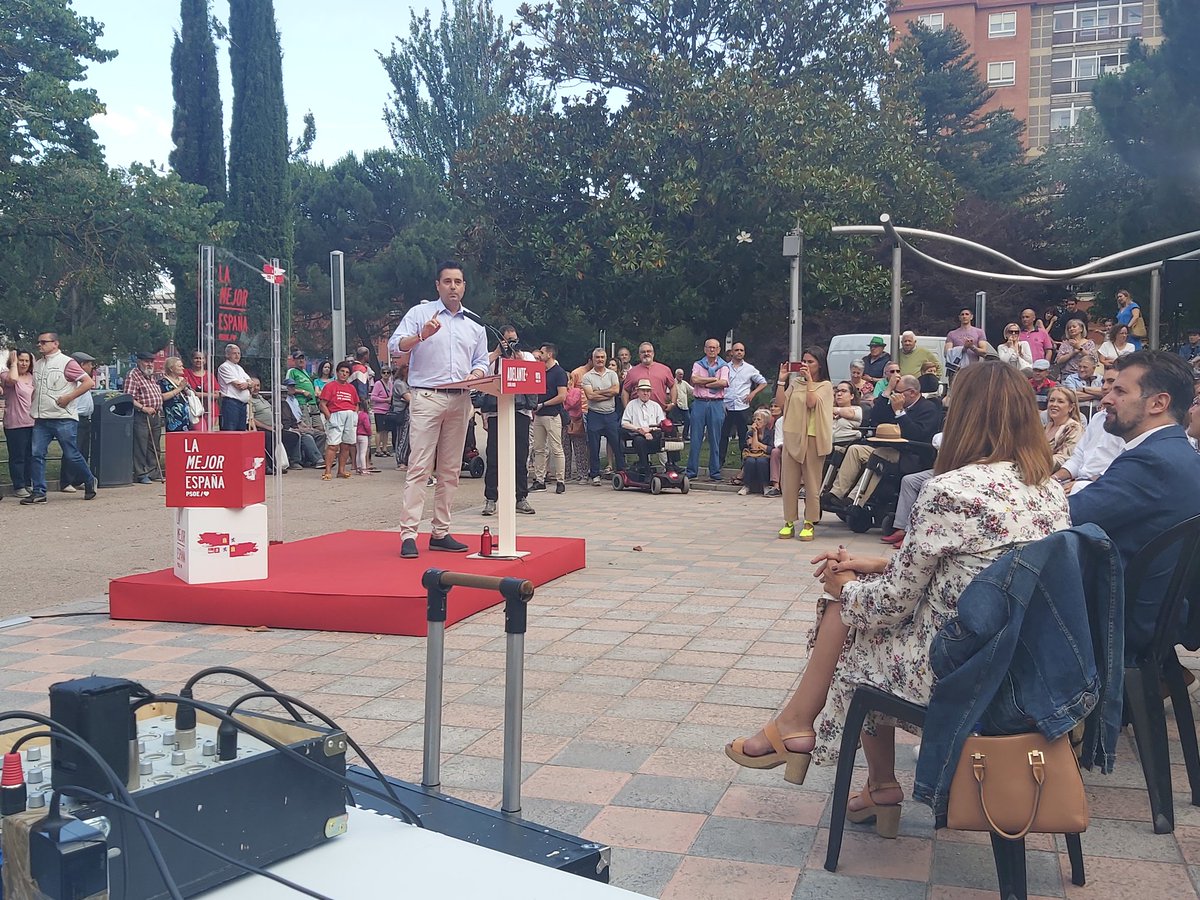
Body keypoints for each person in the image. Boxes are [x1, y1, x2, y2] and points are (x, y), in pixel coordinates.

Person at [724, 361, 1067, 835]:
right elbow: (977, 563)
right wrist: (876, 565)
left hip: (959, 667)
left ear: (963, 415)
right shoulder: (1048, 489)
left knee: (855, 623)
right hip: (1021, 657)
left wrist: (846, 588)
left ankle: (814, 739)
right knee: (858, 613)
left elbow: (894, 604)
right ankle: (849, 766)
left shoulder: (949, 489)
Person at [1068, 352, 1200, 655]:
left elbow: (1068, 516)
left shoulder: (1151, 460)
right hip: (1161, 611)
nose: (1105, 400)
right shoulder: (1179, 455)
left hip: (1121, 617)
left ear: (1158, 403)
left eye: (1120, 391)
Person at [387, 260, 489, 559]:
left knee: (451, 469)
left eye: (458, 281)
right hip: (427, 397)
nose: (453, 287)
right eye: (447, 281)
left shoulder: (475, 322)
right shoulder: (420, 314)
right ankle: (408, 534)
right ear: (437, 285)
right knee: (419, 466)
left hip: (460, 399)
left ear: (464, 286)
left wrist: (476, 374)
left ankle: (441, 531)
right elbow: (396, 347)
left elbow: (482, 360)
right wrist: (421, 336)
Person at [823, 375, 940, 510]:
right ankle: (836, 493)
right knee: (855, 449)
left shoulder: (928, 408)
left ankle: (856, 500)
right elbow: (876, 416)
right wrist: (888, 390)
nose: (895, 395)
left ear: (912, 393)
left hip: (912, 454)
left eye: (898, 392)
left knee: (880, 455)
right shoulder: (898, 404)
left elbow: (916, 434)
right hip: (889, 446)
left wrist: (900, 412)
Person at [24, 332, 98, 503]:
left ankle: (89, 479)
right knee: (36, 454)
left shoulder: (66, 362)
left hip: (63, 416)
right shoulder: (39, 364)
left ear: (55, 343)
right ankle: (39, 491)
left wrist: (69, 397)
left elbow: (88, 382)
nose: (40, 345)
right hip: (41, 417)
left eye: (44, 342)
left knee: (71, 453)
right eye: (39, 342)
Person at [775, 348, 833, 541]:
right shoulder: (795, 383)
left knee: (811, 483)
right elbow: (781, 403)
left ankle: (809, 522)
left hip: (813, 438)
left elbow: (811, 403)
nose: (805, 365)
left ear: (820, 365)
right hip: (793, 436)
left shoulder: (825, 386)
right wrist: (782, 380)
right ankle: (789, 521)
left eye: (810, 362)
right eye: (804, 361)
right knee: (789, 482)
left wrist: (809, 382)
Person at [481, 325, 536, 516]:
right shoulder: (492, 359)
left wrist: (518, 359)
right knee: (494, 457)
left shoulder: (527, 356)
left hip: (520, 412)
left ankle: (521, 497)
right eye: (508, 340)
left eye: (514, 339)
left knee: (520, 457)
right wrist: (497, 352)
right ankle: (490, 498)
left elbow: (534, 378)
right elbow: (481, 378)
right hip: (497, 413)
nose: (512, 343)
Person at [1050, 370, 1123, 494]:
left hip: (1101, 487)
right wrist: (1053, 479)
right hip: (1077, 482)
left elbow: (1120, 469)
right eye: (1103, 382)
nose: (1104, 387)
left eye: (1111, 382)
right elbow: (1077, 458)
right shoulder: (1098, 418)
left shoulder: (1129, 423)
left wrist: (1083, 483)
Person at [716, 341, 766, 474]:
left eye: (741, 350)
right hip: (726, 406)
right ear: (731, 352)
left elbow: (763, 382)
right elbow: (718, 384)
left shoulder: (749, 369)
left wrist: (752, 394)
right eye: (736, 350)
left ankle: (744, 463)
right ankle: (719, 462)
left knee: (743, 435)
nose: (739, 352)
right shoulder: (724, 368)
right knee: (723, 435)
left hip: (742, 406)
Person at [686, 339, 730, 482]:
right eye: (709, 348)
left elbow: (723, 383)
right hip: (699, 403)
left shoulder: (724, 366)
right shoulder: (698, 364)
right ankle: (691, 471)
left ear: (718, 350)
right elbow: (694, 380)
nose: (711, 350)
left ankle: (715, 471)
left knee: (715, 439)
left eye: (714, 348)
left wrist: (703, 380)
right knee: (695, 438)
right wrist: (713, 380)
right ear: (705, 349)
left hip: (716, 404)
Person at [530, 342, 569, 494]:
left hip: (552, 414)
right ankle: (540, 479)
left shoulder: (558, 373)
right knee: (539, 448)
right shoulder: (540, 371)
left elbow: (562, 396)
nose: (539, 355)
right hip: (539, 415)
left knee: (556, 448)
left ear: (550, 354)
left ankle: (560, 480)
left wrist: (543, 403)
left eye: (542, 352)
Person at [582, 347, 624, 486]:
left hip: (611, 414)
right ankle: (595, 474)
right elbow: (590, 396)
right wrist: (607, 392)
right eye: (597, 357)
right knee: (594, 446)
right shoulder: (587, 376)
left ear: (605, 359)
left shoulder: (612, 374)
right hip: (594, 415)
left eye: (602, 357)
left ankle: (622, 472)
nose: (600, 360)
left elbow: (616, 391)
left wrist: (598, 392)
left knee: (616, 444)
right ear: (593, 359)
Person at [59, 351, 97, 492]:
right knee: (72, 450)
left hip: (86, 418)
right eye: (89, 364)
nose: (92, 367)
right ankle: (66, 481)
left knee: (82, 450)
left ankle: (78, 478)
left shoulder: (85, 379)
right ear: (82, 365)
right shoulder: (73, 379)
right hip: (76, 417)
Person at [124, 351, 165, 484]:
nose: (149, 364)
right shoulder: (133, 375)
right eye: (146, 361)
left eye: (151, 361)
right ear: (139, 361)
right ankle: (141, 473)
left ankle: (153, 471)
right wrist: (143, 408)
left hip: (155, 414)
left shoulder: (150, 376)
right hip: (141, 415)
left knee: (154, 446)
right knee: (140, 445)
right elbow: (129, 397)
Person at [1, 349, 35, 498]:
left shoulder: (31, 377)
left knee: (31, 455)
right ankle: (19, 485)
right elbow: (13, 380)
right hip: (15, 423)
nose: (24, 363)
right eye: (21, 360)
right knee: (18, 456)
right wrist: (13, 363)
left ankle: (28, 483)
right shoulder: (6, 375)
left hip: (32, 422)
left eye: (27, 361)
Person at [319, 361, 359, 480]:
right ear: (337, 372)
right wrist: (329, 417)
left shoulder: (351, 388)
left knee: (346, 445)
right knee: (333, 445)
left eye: (347, 372)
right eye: (342, 371)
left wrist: (355, 415)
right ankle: (327, 471)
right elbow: (323, 404)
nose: (344, 374)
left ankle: (341, 471)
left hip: (350, 415)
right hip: (336, 414)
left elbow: (356, 403)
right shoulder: (330, 386)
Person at [620, 379, 667, 476]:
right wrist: (640, 430)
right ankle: (646, 469)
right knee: (639, 441)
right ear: (637, 392)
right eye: (643, 390)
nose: (646, 393)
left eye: (648, 391)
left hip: (654, 434)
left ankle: (671, 465)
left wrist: (650, 430)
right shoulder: (631, 405)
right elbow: (624, 423)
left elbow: (661, 423)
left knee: (667, 435)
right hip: (638, 434)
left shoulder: (655, 406)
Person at [280, 379, 323, 468]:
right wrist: (300, 428)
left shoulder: (294, 400)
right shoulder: (283, 402)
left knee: (321, 434)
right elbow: (287, 421)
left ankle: (312, 459)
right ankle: (312, 460)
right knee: (307, 436)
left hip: (298, 423)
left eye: (293, 386)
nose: (292, 388)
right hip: (289, 427)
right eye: (290, 386)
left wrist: (305, 426)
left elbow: (297, 417)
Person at [1044, 386, 1083, 468]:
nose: (1054, 404)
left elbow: (1064, 459)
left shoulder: (1074, 428)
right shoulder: (1044, 427)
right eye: (1051, 400)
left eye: (1060, 401)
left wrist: (1035, 463)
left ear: (1071, 407)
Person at [248, 378, 281, 475]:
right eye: (253, 386)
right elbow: (251, 419)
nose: (256, 388)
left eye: (258, 385)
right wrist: (269, 427)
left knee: (291, 436)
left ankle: (277, 464)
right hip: (258, 428)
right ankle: (268, 466)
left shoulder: (262, 398)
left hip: (272, 427)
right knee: (269, 437)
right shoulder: (249, 400)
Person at [216, 343, 252, 431]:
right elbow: (239, 385)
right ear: (227, 354)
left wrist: (247, 384)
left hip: (242, 405)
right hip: (231, 403)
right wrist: (247, 384)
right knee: (231, 431)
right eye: (234, 353)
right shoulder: (224, 367)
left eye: (239, 353)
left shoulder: (239, 368)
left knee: (241, 431)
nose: (237, 356)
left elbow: (252, 383)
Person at [739, 409, 773, 496]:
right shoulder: (750, 433)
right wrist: (755, 433)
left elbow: (770, 449)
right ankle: (746, 486)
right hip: (752, 455)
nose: (756, 422)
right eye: (755, 419)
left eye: (759, 419)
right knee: (750, 461)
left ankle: (765, 486)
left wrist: (758, 444)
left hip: (766, 456)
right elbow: (754, 448)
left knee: (761, 461)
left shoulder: (770, 434)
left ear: (765, 422)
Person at [184, 349, 218, 431]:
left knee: (208, 434)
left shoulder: (210, 375)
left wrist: (200, 395)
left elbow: (217, 395)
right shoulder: (185, 373)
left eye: (201, 358)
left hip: (210, 410)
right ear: (192, 360)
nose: (199, 360)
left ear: (205, 360)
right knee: (200, 431)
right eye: (196, 358)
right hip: (194, 410)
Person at [158, 356, 193, 434]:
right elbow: (162, 397)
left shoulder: (182, 380)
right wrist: (179, 388)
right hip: (174, 419)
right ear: (171, 368)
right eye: (180, 366)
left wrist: (186, 388)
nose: (182, 368)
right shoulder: (163, 382)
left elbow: (191, 394)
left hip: (187, 418)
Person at [286, 351, 320, 427]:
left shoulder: (305, 371)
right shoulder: (292, 371)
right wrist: (302, 391)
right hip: (302, 403)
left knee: (319, 428)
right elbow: (287, 388)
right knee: (307, 427)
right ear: (294, 360)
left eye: (302, 358)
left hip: (312, 403)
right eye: (298, 359)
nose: (301, 360)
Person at [370, 368, 394, 457]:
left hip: (388, 410)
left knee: (386, 430)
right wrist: (385, 400)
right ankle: (378, 449)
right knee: (379, 430)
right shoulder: (378, 384)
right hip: (379, 410)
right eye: (384, 373)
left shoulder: (391, 384)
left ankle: (384, 448)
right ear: (381, 374)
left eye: (388, 373)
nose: (386, 374)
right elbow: (373, 397)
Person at [355, 400, 379, 475]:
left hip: (356, 434)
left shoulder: (356, 415)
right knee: (363, 453)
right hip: (364, 435)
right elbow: (367, 426)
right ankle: (364, 468)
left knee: (358, 452)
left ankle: (358, 467)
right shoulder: (364, 415)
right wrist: (369, 433)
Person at [671, 367, 693, 440]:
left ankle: (685, 435)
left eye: (682, 374)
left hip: (684, 406)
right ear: (676, 374)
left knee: (688, 420)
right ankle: (675, 436)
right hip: (676, 406)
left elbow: (692, 390)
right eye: (680, 374)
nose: (681, 376)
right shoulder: (672, 383)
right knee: (675, 422)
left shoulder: (684, 383)